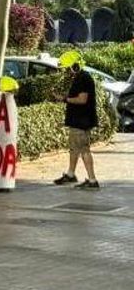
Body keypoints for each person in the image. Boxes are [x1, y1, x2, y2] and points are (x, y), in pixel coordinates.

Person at [52, 50, 100, 190]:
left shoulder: (83, 78)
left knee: (84, 149)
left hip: (81, 121)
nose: (67, 71)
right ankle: (71, 174)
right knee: (74, 149)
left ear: (75, 66)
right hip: (78, 120)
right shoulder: (80, 77)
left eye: (68, 68)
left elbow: (82, 99)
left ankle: (92, 180)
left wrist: (65, 99)